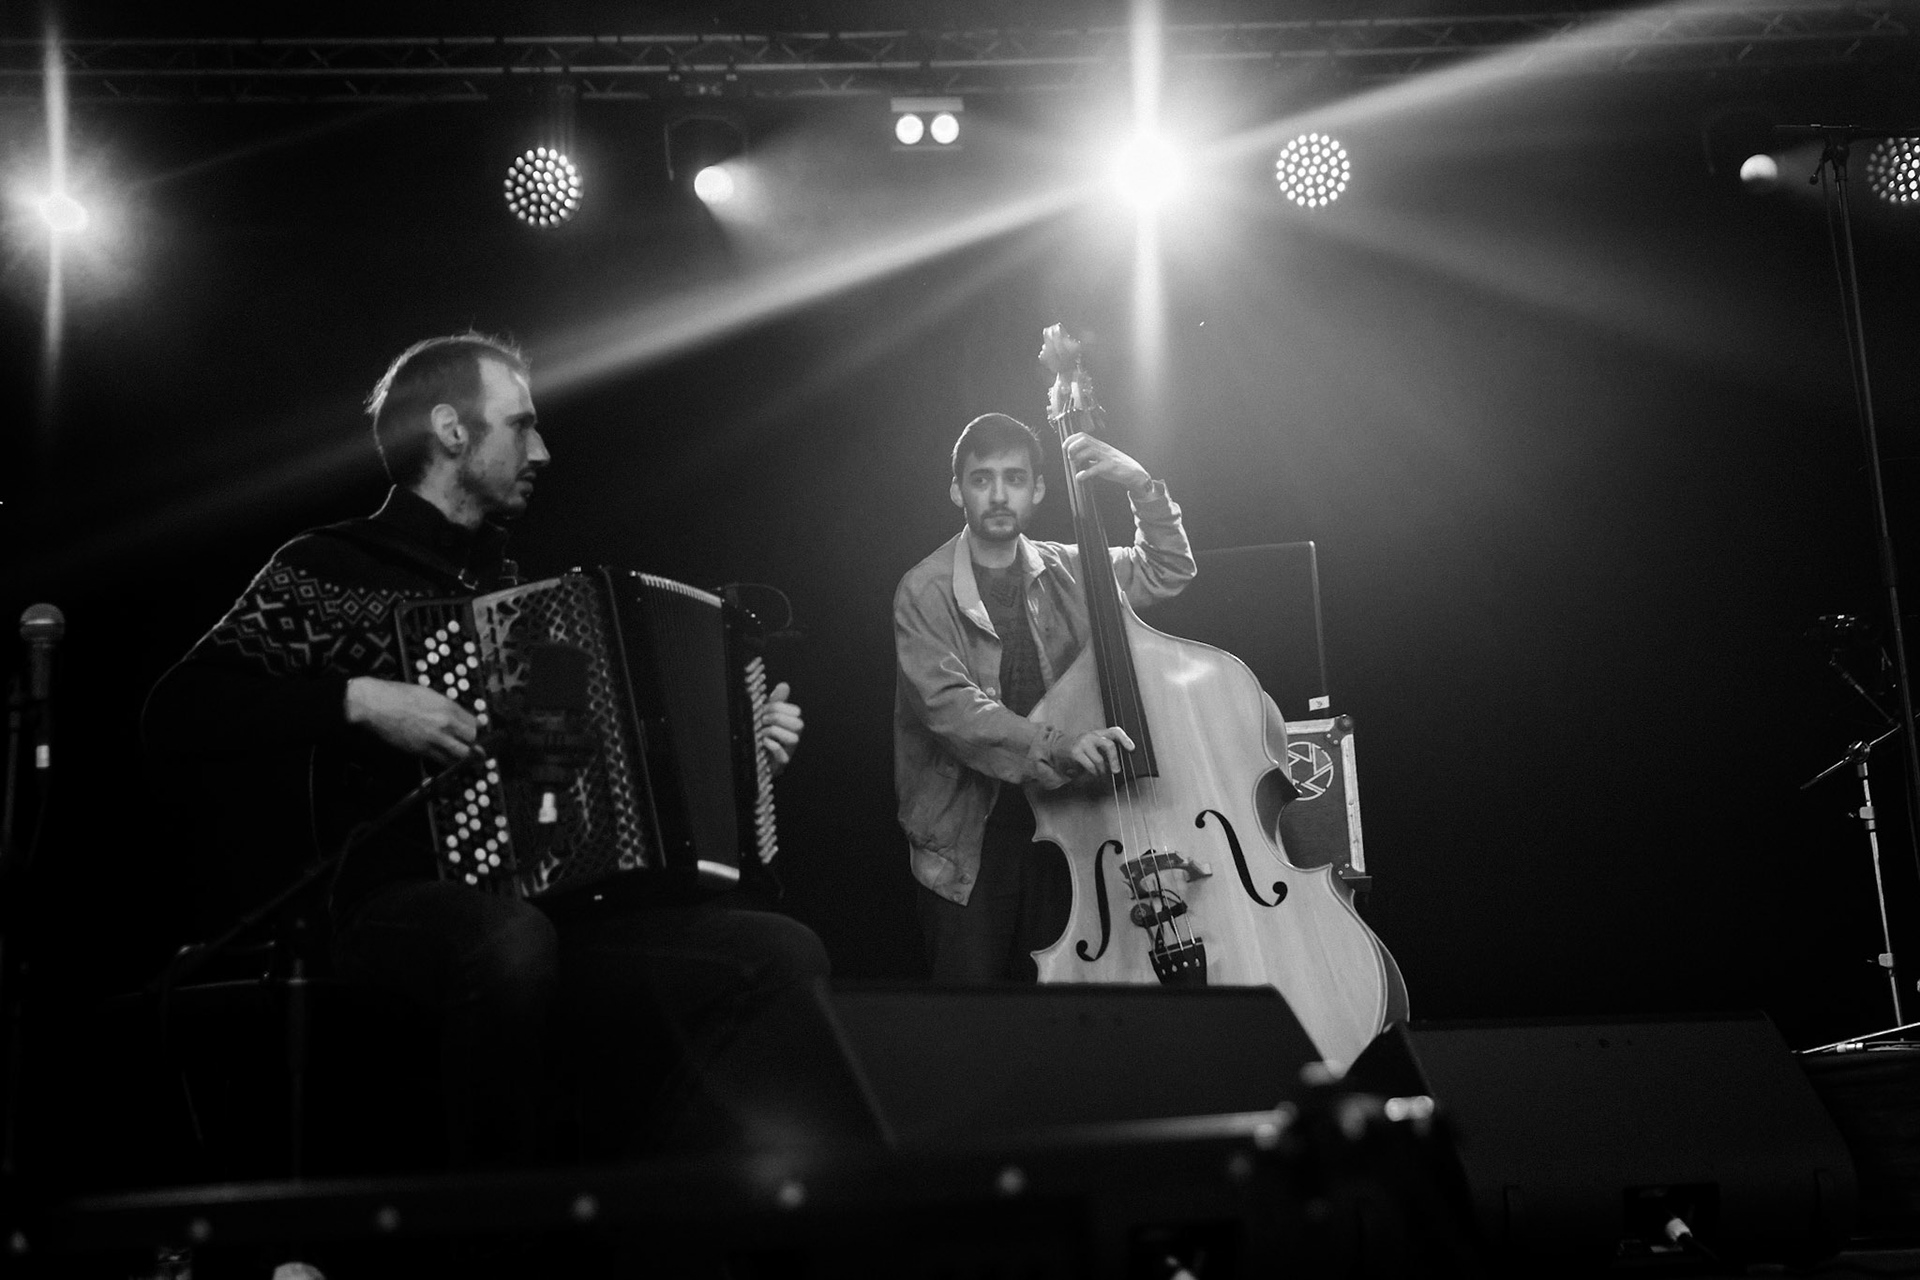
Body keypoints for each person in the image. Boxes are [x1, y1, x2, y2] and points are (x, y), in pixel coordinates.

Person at [142, 333, 828, 1165]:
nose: (542, 450)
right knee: (508, 944)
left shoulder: (519, 593)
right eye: (522, 425)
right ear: (451, 430)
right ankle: (486, 1239)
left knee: (774, 952)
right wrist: (358, 699)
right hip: (383, 905)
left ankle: (648, 1209)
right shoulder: (327, 568)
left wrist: (737, 759)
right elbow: (179, 710)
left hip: (542, 911)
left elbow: (573, 780)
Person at [892, 411, 1196, 984]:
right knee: (972, 1031)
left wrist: (1141, 486)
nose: (999, 494)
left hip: (1071, 836)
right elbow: (952, 710)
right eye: (982, 479)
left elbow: (1168, 569)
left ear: (1038, 488)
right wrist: (1061, 746)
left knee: (1063, 1022)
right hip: (969, 847)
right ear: (958, 490)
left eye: (1014, 477)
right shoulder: (922, 590)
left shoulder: (1070, 567)